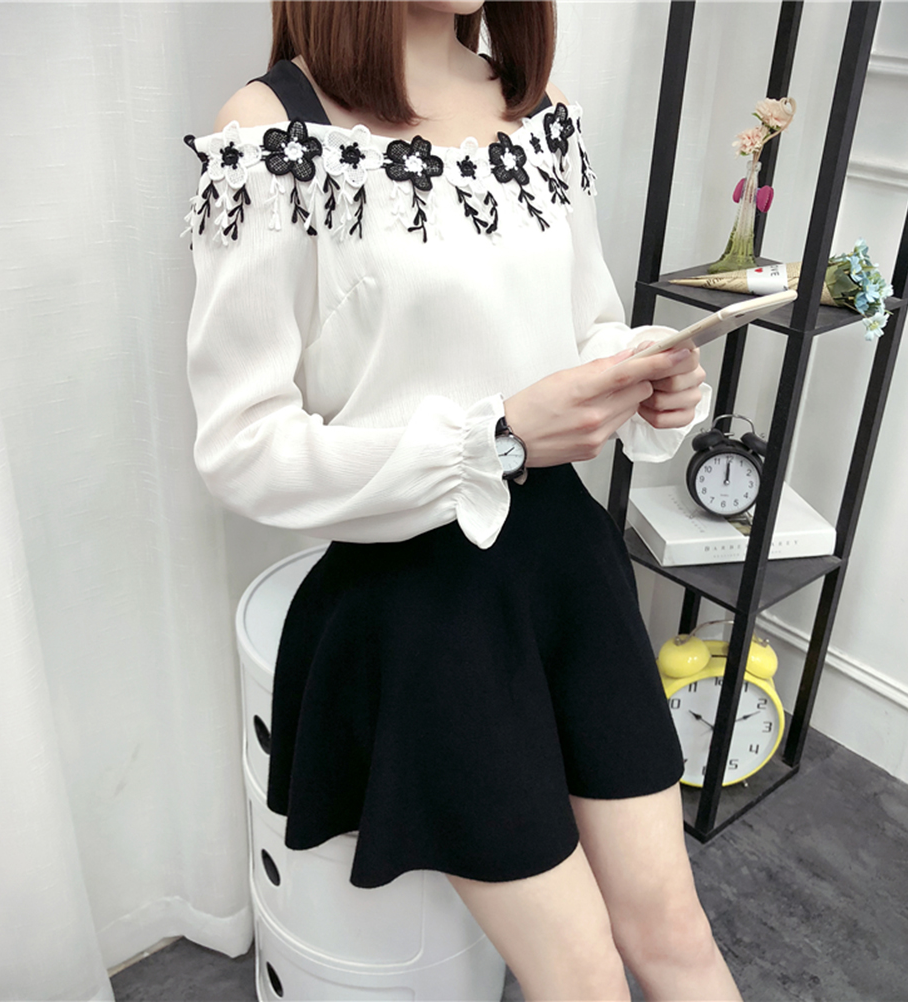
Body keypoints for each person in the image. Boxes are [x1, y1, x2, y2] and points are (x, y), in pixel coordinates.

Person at [183, 2, 742, 999]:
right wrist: (494, 438)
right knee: (580, 976)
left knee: (676, 934)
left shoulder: (538, 109)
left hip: (569, 564)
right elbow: (241, 448)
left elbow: (586, 326)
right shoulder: (274, 130)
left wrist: (645, 373)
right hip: (419, 601)